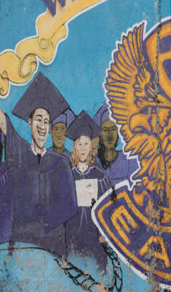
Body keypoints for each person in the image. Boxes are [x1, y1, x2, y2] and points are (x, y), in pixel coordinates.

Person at [0, 71, 77, 256]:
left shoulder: (60, 163)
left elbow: (70, 204)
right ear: (30, 123)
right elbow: (5, 125)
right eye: (38, 119)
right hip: (23, 242)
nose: (42, 125)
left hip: (52, 243)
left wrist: (44, 222)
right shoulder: (21, 154)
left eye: (46, 122)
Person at [64, 110, 111, 268]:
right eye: (79, 144)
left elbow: (107, 208)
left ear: (91, 146)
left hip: (94, 237)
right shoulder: (68, 176)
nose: (83, 148)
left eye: (86, 143)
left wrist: (103, 235)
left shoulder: (100, 176)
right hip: (73, 235)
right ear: (74, 148)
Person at [93, 103, 139, 186]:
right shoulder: (93, 161)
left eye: (113, 129)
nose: (110, 135)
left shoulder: (128, 159)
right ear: (100, 134)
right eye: (106, 130)